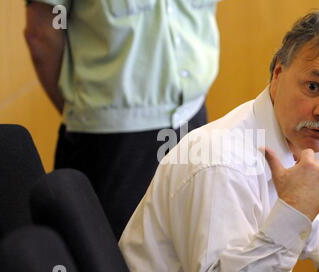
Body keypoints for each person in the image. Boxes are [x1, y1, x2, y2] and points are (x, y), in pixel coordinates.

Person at [119, 11, 319, 272]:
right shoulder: (222, 165)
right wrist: (294, 209)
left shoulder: (288, 138)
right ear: (278, 74)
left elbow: (299, 225)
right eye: (313, 87)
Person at [24, 0, 219, 239]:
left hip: (193, 117)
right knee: (111, 261)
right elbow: (41, 34)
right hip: (112, 139)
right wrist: (86, 111)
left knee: (190, 245)